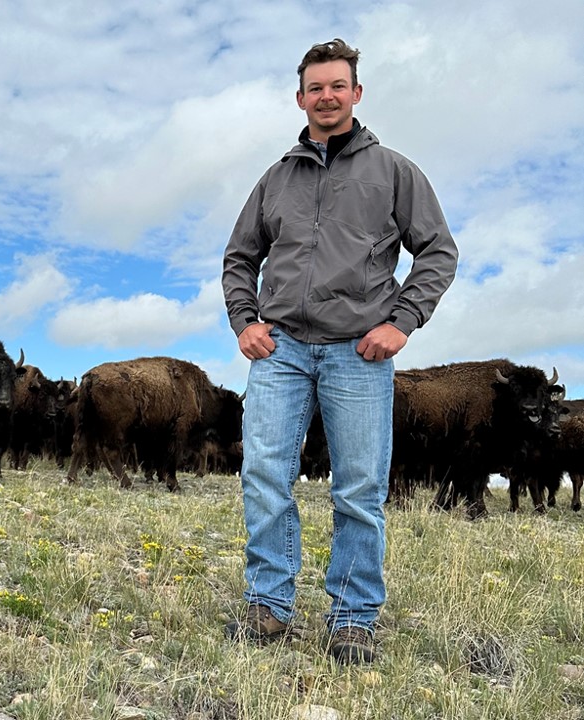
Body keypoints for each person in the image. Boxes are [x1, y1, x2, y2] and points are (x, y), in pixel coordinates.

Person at [221, 38, 458, 664]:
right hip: (281, 352)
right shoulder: (275, 178)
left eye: (337, 86)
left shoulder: (396, 172)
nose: (326, 97)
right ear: (299, 99)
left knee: (358, 488)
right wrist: (245, 321)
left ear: (356, 93)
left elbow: (438, 252)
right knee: (265, 476)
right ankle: (268, 607)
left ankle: (353, 618)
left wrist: (402, 322)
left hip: (360, 353)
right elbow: (239, 258)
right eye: (315, 88)